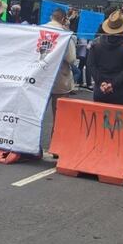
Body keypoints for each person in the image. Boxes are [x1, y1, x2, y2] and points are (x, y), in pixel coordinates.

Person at [41, 8, 77, 144]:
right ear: (64, 19)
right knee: (58, 116)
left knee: (35, 113)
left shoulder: (38, 30)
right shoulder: (65, 35)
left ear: (51, 17)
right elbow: (71, 58)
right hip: (59, 78)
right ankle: (55, 145)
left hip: (39, 77)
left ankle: (29, 145)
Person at [87, 10, 123, 106]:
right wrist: (112, 84)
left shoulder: (96, 43)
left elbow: (90, 65)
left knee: (99, 118)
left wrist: (101, 83)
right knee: (119, 120)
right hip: (120, 90)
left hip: (100, 88)